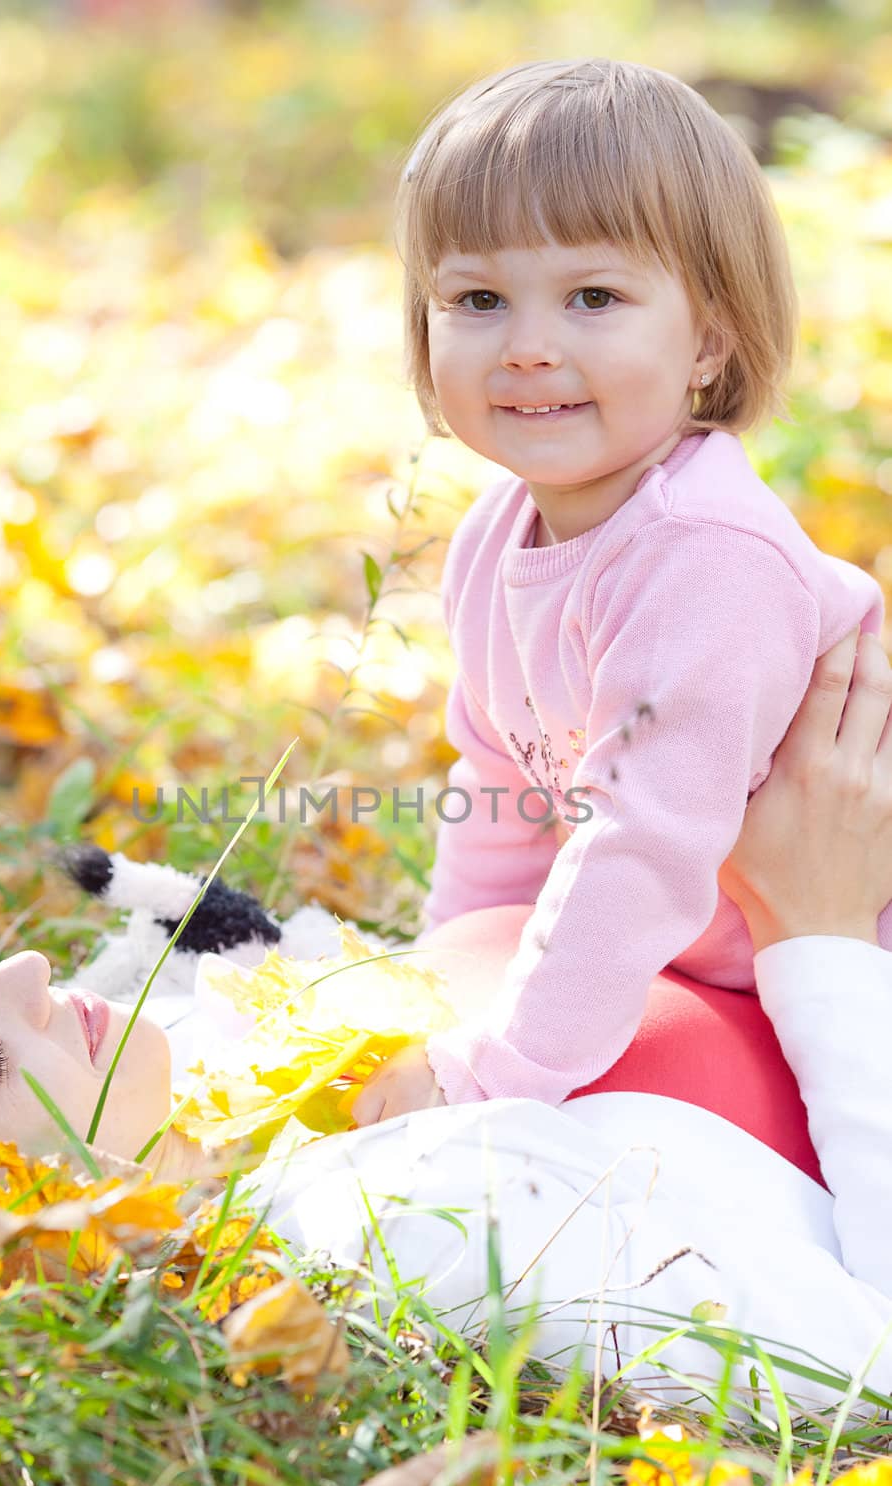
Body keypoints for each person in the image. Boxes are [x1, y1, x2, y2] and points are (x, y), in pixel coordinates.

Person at [0, 626, 892, 1408]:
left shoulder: (204, 1071)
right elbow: (868, 1363)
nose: (17, 970)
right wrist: (822, 927)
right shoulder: (405, 1239)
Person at [358, 57, 892, 1126]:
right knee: (473, 976)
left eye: (592, 297)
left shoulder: (704, 558)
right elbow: (502, 789)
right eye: (477, 299)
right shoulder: (490, 539)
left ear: (706, 340)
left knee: (601, 1121)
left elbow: (637, 847)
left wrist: (490, 1076)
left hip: (842, 982)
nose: (526, 348)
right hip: (714, 959)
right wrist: (437, 988)